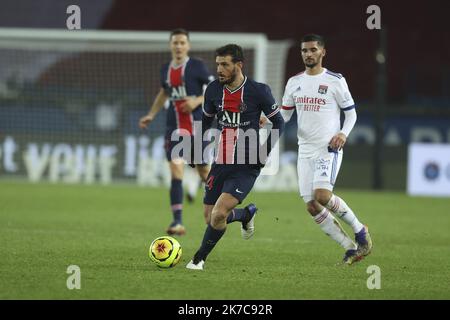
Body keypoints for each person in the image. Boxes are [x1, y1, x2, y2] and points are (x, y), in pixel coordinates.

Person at [186, 44, 285, 270]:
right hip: (221, 162)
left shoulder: (259, 91)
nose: (219, 69)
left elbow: (279, 122)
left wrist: (264, 151)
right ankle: (246, 214)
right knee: (210, 217)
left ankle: (197, 260)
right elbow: (204, 123)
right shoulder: (212, 90)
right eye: (218, 64)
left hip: (247, 164)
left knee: (219, 213)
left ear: (238, 65)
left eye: (225, 65)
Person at [280, 34, 372, 265]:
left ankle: (360, 231)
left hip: (327, 147)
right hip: (305, 150)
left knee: (322, 196)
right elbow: (284, 115)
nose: (308, 54)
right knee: (312, 206)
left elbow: (351, 113)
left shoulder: (335, 80)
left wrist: (342, 133)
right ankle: (350, 247)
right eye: (304, 50)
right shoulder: (294, 82)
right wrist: (267, 120)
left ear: (323, 52)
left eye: (313, 50)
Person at [139, 28, 214, 236]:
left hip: (199, 126)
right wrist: (151, 115)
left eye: (182, 42)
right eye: (175, 43)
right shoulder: (165, 69)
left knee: (204, 172)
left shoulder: (197, 66)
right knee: (176, 170)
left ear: (188, 45)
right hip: (175, 128)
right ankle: (177, 222)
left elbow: (214, 89)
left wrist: (197, 100)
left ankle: (217, 211)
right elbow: (164, 92)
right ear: (170, 45)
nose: (179, 46)